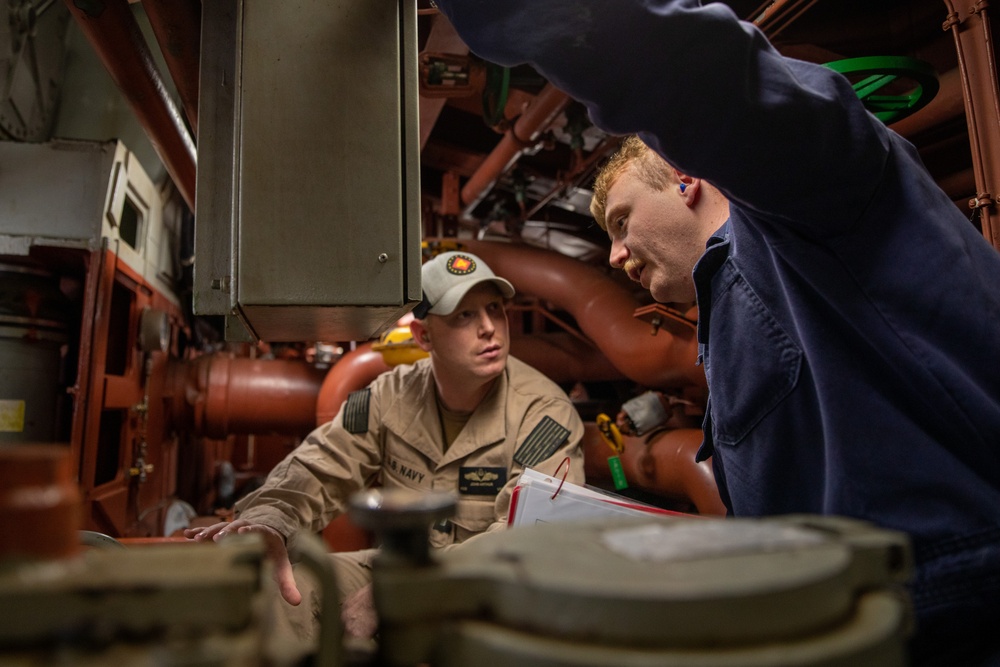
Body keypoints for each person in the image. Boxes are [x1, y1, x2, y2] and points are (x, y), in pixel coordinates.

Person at [433, 2, 1000, 665]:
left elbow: (707, 78)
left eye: (620, 221)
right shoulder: (743, 298)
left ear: (686, 174)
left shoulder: (816, 197)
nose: (615, 257)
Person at [186, 251, 585, 644]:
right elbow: (319, 466)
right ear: (423, 336)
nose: (489, 328)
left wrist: (410, 588)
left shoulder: (543, 414)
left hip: (489, 582)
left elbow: (530, 536)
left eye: (495, 309)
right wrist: (270, 520)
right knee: (278, 592)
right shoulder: (389, 396)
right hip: (394, 565)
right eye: (464, 315)